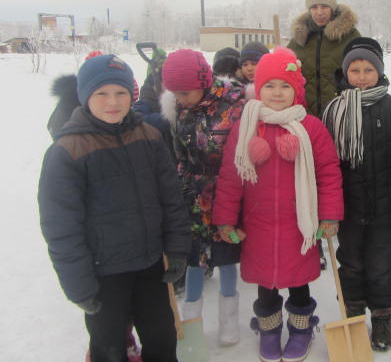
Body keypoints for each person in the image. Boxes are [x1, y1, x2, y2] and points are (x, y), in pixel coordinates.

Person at [38, 54, 191, 362]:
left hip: (150, 266)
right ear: (85, 95)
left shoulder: (149, 137)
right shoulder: (67, 151)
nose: (113, 102)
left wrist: (177, 250)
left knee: (162, 338)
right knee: (108, 347)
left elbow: (171, 199)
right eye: (102, 93)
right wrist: (78, 284)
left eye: (121, 92)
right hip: (103, 274)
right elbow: (60, 227)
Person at [213, 47, 344, 362]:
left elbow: (328, 173)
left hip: (299, 225)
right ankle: (269, 331)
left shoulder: (311, 128)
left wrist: (329, 216)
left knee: (298, 284)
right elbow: (231, 177)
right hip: (257, 224)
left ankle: (301, 329)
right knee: (265, 287)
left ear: (296, 90)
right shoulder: (246, 127)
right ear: (258, 88)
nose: (277, 92)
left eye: (285, 86)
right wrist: (226, 220)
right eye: (269, 85)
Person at [322, 37, 391, 351]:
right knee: (350, 262)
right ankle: (352, 310)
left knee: (382, 265)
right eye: (355, 70)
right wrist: (327, 208)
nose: (362, 76)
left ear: (379, 71)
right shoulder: (334, 111)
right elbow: (325, 164)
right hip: (348, 208)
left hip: (386, 209)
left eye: (368, 69)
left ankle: (381, 315)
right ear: (345, 72)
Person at [161, 48, 245, 346]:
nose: (180, 99)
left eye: (184, 92)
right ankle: (191, 325)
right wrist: (181, 188)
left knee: (226, 258)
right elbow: (180, 157)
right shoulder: (178, 110)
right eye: (175, 93)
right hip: (194, 197)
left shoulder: (235, 103)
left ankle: (229, 322)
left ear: (203, 83)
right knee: (195, 260)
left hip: (227, 193)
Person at [288, 0, 360, 117]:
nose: (319, 12)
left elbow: (366, 71)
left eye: (324, 6)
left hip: (340, 114)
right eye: (314, 7)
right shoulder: (299, 39)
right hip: (305, 116)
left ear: (332, 7)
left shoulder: (349, 36)